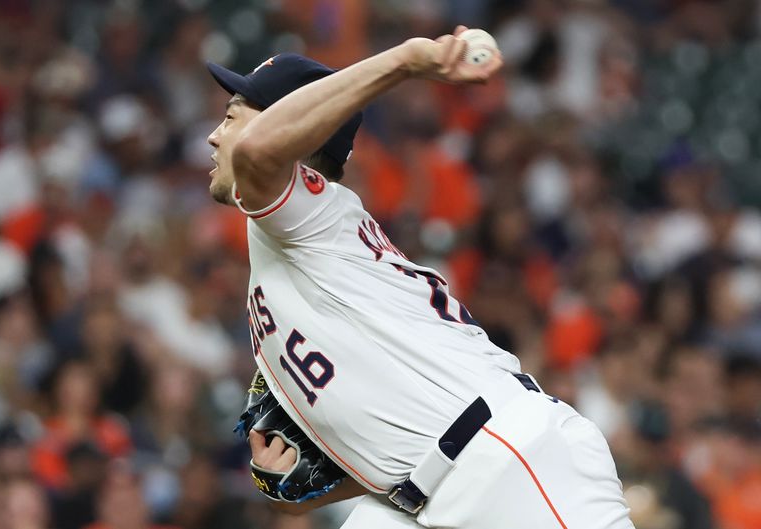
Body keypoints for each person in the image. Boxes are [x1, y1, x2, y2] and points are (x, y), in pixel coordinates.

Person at [205, 26, 635, 529]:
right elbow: (397, 433)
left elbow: (256, 153)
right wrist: (309, 476)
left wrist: (407, 61)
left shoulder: (307, 216)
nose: (216, 135)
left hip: (504, 460)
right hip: (420, 492)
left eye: (233, 117)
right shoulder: (293, 248)